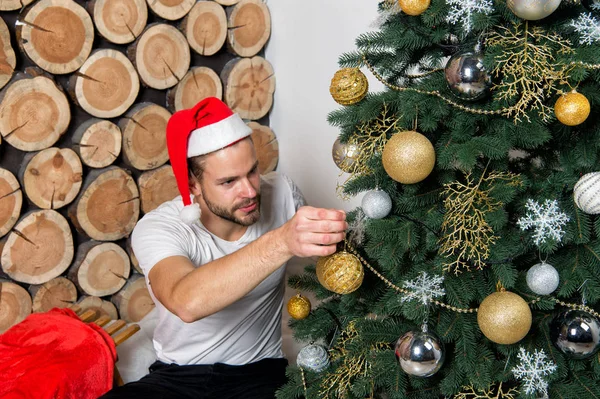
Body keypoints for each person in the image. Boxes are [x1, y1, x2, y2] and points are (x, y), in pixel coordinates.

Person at [100, 97, 347, 399]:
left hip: (259, 373)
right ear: (193, 185)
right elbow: (186, 301)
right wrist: (281, 241)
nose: (250, 191)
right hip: (177, 378)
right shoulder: (160, 227)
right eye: (229, 181)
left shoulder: (282, 193)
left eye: (252, 171)